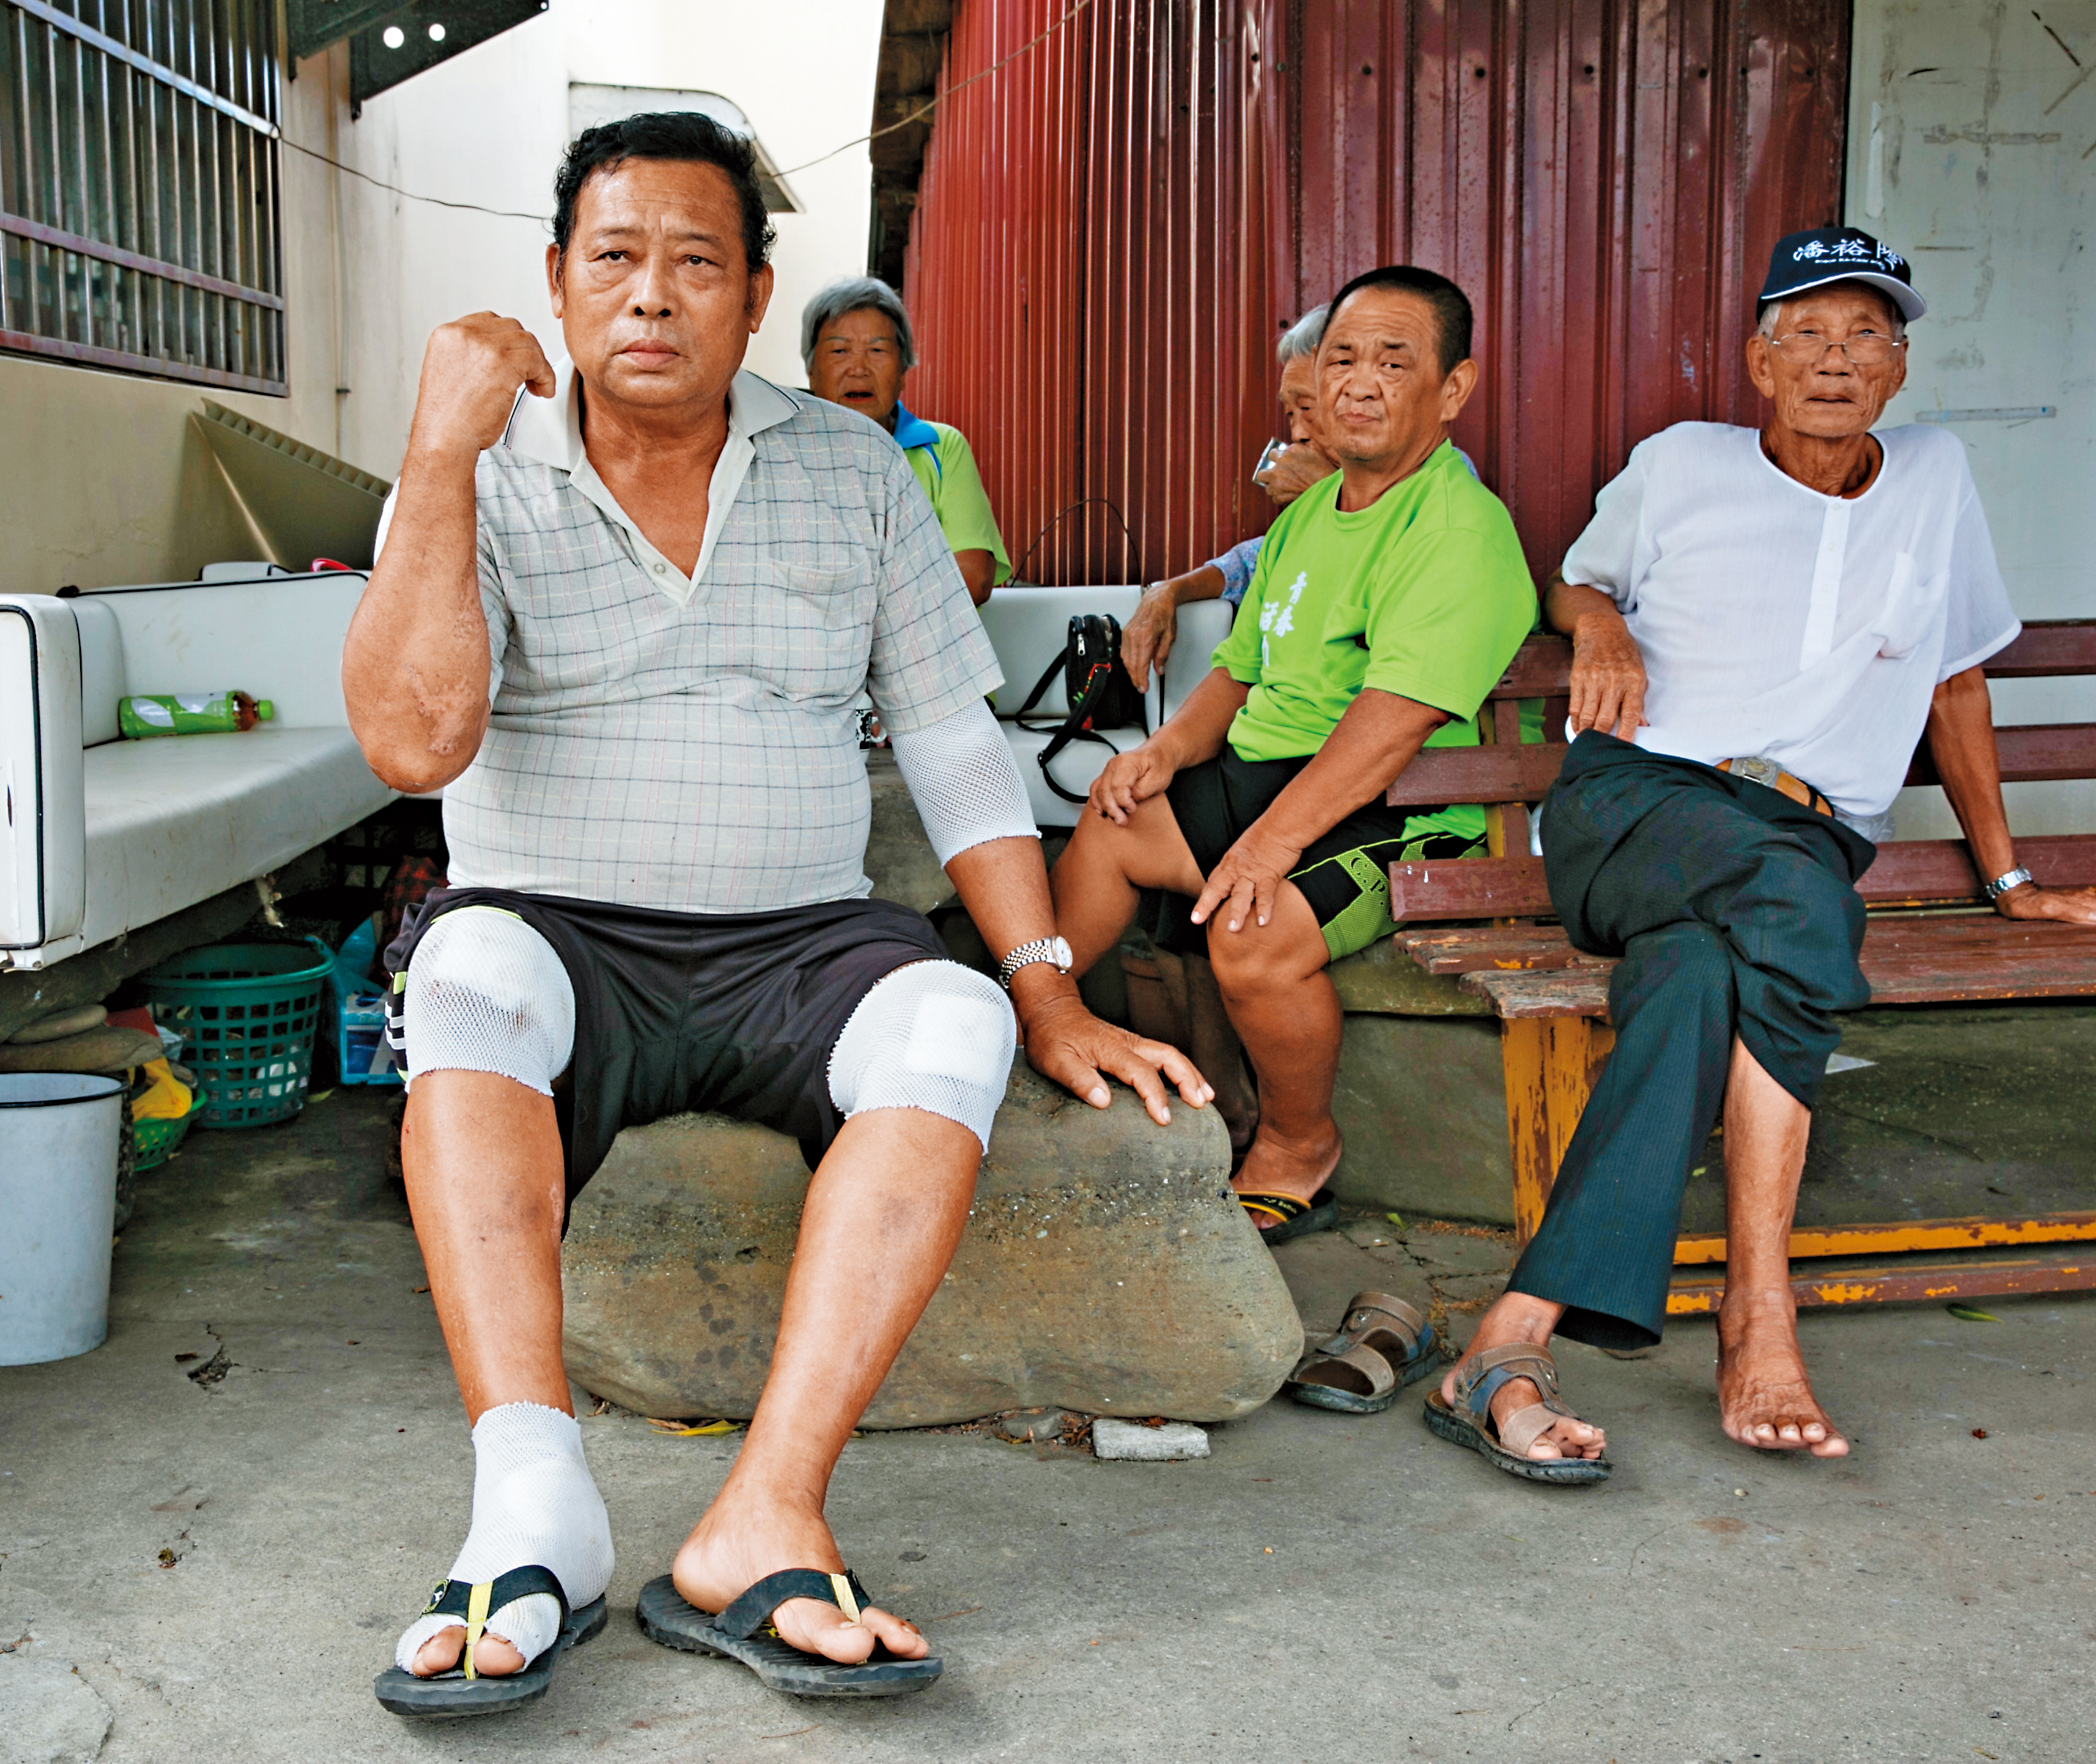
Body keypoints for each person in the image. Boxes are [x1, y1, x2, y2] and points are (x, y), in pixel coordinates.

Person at [343, 112, 1205, 1717]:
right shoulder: (469, 467)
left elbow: (954, 739)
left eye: (693, 262)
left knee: (945, 1016)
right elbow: (412, 741)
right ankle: (532, 1509)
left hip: (797, 941)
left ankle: (760, 1518)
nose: (649, 297)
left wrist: (1043, 982)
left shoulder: (850, 469)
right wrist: (434, 454)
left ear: (753, 296)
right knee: (456, 974)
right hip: (554, 930)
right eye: (612, 258)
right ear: (553, 280)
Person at [1424, 229, 2096, 1487]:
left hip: (1798, 834)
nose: (1834, 359)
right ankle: (1760, 1308)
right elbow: (1577, 583)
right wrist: (1601, 627)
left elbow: (1958, 677)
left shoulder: (1937, 478)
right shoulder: (1684, 464)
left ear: (1901, 365)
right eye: (1807, 335)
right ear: (1759, 360)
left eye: (1863, 334)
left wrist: (2011, 878)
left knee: (1703, 977)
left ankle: (1509, 1338)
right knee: (1794, 903)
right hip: (1637, 807)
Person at [1048, 264, 1538, 1248]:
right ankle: (1039, 1015)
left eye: (1392, 362)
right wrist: (1161, 751)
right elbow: (1238, 668)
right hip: (1276, 775)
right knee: (1109, 825)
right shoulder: (1310, 513)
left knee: (1251, 929)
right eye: (1343, 357)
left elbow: (1391, 726)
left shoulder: (1455, 525)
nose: (1356, 382)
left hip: (1405, 807)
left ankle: (1297, 1139)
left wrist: (1265, 846)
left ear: (1451, 389)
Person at [1119, 305, 1336, 694]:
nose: (1298, 433)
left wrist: (1328, 493)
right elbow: (1253, 561)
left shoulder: (1434, 488)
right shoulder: (1309, 502)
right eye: (1290, 414)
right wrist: (1168, 591)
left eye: (1308, 409)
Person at [801, 275, 1011, 604]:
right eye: (840, 350)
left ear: (903, 370)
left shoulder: (941, 447)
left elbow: (973, 577)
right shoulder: (784, 455)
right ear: (811, 371)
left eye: (877, 350)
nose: (859, 368)